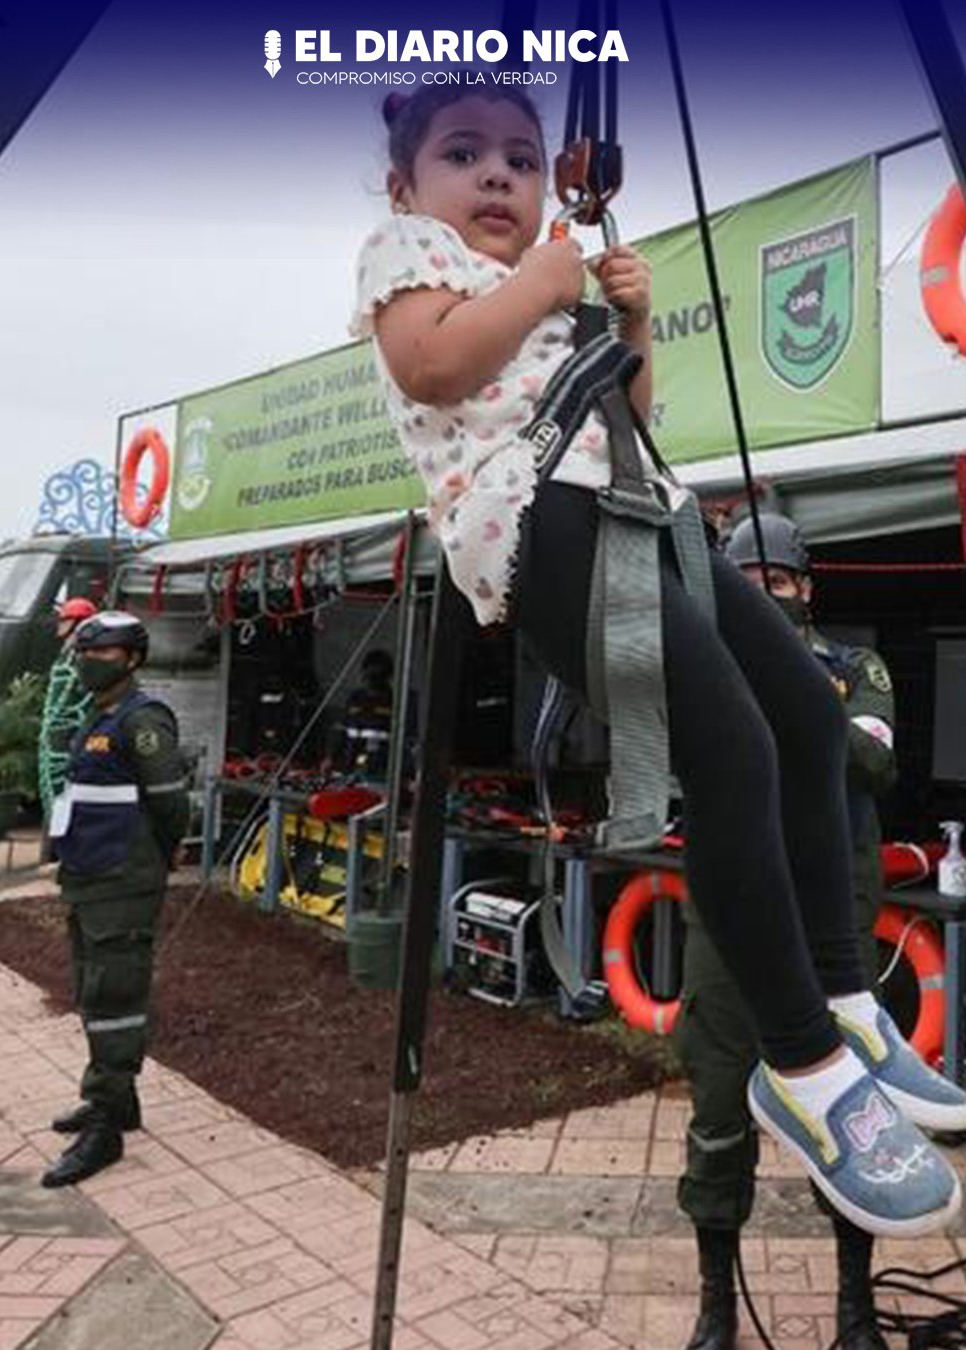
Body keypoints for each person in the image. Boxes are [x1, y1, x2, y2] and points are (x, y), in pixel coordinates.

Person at [351, 84, 966, 1237]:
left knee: (811, 722)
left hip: (639, 506)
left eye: (520, 160)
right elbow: (430, 367)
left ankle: (843, 994)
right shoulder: (412, 258)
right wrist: (545, 281)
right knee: (727, 746)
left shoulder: (550, 281)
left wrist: (626, 323)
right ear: (405, 189)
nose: (498, 177)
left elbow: (633, 411)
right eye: (464, 154)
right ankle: (801, 1068)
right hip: (537, 527)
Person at [678, 512, 898, 1350]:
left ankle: (855, 1313)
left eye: (779, 579)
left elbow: (875, 763)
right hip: (731, 912)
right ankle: (715, 1310)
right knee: (718, 1102)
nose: (765, 591)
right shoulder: (707, 666)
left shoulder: (854, 666)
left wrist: (792, 680)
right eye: (748, 580)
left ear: (806, 588)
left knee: (853, 1109)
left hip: (828, 919)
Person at [43, 611, 189, 1187]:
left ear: (131, 658)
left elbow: (171, 801)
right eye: (84, 650)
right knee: (92, 987)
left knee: (115, 994)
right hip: (89, 873)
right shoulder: (98, 715)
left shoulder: (143, 719)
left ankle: (104, 1124)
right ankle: (119, 1103)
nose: (87, 660)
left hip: (123, 878)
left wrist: (167, 850)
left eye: (101, 652)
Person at [37, 596, 98, 823]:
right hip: (57, 738)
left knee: (66, 792)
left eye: (67, 622)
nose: (62, 629)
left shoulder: (85, 657)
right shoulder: (65, 655)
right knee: (54, 794)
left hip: (74, 737)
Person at [330, 648, 395, 780]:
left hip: (379, 766)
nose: (371, 679)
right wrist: (330, 757)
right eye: (369, 673)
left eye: (377, 674)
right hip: (349, 761)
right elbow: (343, 728)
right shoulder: (355, 697)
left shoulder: (394, 700)